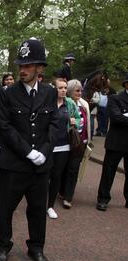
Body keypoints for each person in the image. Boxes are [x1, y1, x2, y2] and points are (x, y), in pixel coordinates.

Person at [0, 38, 59, 261]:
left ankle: (36, 248)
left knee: (38, 209)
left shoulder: (50, 93)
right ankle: (2, 246)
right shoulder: (7, 93)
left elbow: (54, 123)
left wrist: (44, 151)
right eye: (21, 65)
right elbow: (5, 126)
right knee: (5, 208)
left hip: (41, 165)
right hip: (14, 164)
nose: (23, 69)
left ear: (40, 68)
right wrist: (28, 151)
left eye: (28, 65)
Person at [46, 78, 81, 219]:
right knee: (43, 175)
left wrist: (75, 122)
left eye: (65, 88)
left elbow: (79, 119)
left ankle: (50, 206)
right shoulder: (47, 103)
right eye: (60, 87)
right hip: (47, 145)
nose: (63, 90)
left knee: (56, 176)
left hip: (63, 146)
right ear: (54, 88)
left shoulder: (70, 103)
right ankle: (38, 202)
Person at [96, 73, 128, 211]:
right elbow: (116, 118)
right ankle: (103, 199)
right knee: (109, 171)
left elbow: (122, 117)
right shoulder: (115, 98)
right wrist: (122, 117)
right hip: (116, 142)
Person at [60, 79, 91, 209]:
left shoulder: (84, 104)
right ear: (71, 91)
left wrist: (88, 140)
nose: (80, 92)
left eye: (81, 90)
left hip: (80, 143)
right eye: (77, 90)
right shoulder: (64, 103)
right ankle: (60, 190)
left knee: (73, 169)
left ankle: (68, 197)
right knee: (62, 168)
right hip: (65, 141)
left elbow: (88, 123)